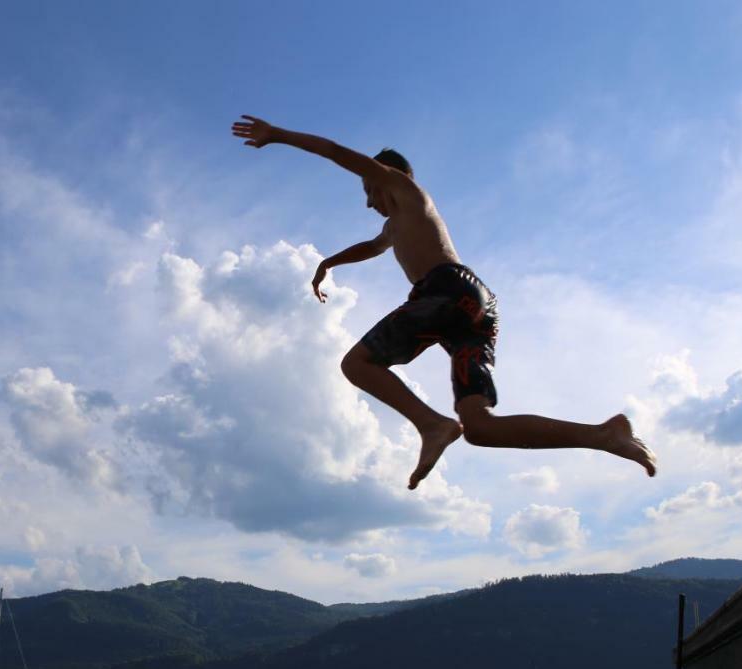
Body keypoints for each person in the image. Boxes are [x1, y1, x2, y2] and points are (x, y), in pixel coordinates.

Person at [231, 115, 656, 489]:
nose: (367, 201)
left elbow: (337, 152)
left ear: (386, 176)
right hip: (474, 308)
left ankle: (431, 424)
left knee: (356, 364)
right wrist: (329, 263)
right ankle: (604, 435)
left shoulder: (405, 189)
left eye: (368, 189)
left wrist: (278, 135)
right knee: (479, 427)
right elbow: (373, 247)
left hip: (445, 290)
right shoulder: (397, 223)